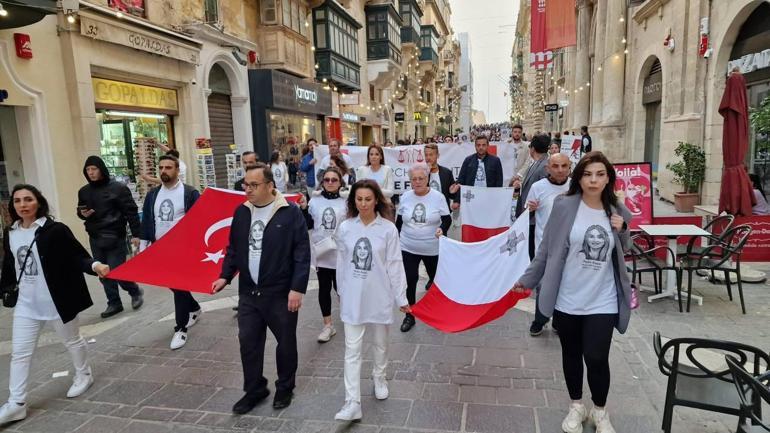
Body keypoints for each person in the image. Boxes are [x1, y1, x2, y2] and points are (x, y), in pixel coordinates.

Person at [512, 151, 633, 433]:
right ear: (578, 177)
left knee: (596, 357)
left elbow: (627, 249)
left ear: (608, 179)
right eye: (588, 174)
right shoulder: (564, 206)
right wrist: (528, 279)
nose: (593, 180)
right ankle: (576, 406)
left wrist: (624, 228)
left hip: (603, 299)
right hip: (567, 297)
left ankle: (600, 411)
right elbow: (547, 248)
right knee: (572, 354)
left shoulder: (617, 211)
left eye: (600, 174)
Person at [0, 185, 111, 424]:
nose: (23, 205)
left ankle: (84, 374)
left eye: (28, 199)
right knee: (20, 354)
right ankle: (16, 403)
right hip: (26, 306)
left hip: (57, 301)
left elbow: (77, 255)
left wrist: (96, 266)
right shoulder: (11, 232)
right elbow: (9, 266)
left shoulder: (54, 230)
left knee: (72, 340)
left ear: (38, 202)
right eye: (18, 201)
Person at [212, 163, 310, 414]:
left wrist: (297, 288)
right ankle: (255, 389)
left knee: (285, 343)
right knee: (248, 342)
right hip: (249, 292)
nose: (248, 190)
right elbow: (233, 248)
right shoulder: (242, 212)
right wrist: (225, 276)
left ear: (269, 185)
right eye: (246, 185)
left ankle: (285, 388)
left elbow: (301, 253)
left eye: (254, 185)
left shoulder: (289, 213)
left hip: (279, 292)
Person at [333, 180, 409, 422]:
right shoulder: (345, 228)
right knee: (352, 350)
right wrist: (342, 293)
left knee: (380, 344)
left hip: (379, 295)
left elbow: (395, 264)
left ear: (377, 200)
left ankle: (379, 376)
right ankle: (352, 401)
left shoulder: (388, 229)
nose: (363, 204)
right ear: (353, 201)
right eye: (359, 199)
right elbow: (342, 263)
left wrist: (401, 297)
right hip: (353, 298)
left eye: (368, 199)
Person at [141, 155, 202, 350]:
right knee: (173, 285)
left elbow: (198, 222)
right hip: (159, 248)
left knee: (178, 285)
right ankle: (194, 307)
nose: (164, 171)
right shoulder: (153, 195)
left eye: (168, 167)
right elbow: (148, 220)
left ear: (177, 170)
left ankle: (180, 329)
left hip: (181, 250)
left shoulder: (190, 193)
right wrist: (144, 246)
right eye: (161, 168)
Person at [76, 155, 144, 318]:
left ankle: (134, 291)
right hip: (95, 236)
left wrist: (136, 234)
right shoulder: (84, 191)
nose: (91, 173)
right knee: (103, 272)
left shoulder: (118, 188)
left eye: (94, 169)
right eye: (88, 170)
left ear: (101, 169)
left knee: (116, 270)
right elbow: (80, 211)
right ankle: (114, 302)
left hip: (115, 235)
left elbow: (131, 211)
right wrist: (82, 213)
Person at [396, 164, 451, 332]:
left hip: (431, 248)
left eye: (421, 178)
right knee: (410, 280)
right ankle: (409, 315)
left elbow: (447, 219)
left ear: (427, 179)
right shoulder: (405, 196)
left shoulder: (438, 197)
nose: (418, 182)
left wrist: (443, 229)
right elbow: (398, 222)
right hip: (407, 246)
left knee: (436, 280)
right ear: (410, 181)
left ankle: (438, 312)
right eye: (414, 179)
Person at [298, 167, 348, 343]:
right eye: (327, 180)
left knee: (342, 289)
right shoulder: (315, 201)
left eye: (334, 180)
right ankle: (328, 325)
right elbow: (309, 224)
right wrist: (304, 208)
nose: (330, 183)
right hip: (322, 252)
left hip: (341, 253)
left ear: (340, 182)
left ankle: (350, 320)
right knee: (324, 289)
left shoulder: (347, 201)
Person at [524, 153, 571, 336]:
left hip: (569, 246)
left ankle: (559, 321)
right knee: (543, 285)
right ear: (548, 168)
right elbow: (525, 215)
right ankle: (540, 320)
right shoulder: (537, 187)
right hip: (545, 246)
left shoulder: (576, 186)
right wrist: (530, 210)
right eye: (556, 166)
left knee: (564, 284)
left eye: (564, 166)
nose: (560, 170)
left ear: (570, 167)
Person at [452, 136, 504, 200]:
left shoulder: (495, 160)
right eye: (478, 145)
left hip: (489, 197)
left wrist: (497, 198)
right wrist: (457, 201)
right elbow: (461, 180)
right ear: (475, 146)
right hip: (471, 197)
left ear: (488, 146)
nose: (481, 147)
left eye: (483, 145)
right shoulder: (468, 160)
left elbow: (499, 182)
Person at [514, 134, 550, 219]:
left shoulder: (544, 166)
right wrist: (520, 185)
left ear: (532, 149)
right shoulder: (537, 162)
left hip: (534, 217)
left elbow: (545, 193)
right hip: (528, 214)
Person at [423, 143, 457, 209]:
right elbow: (418, 192)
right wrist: (426, 172)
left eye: (431, 155)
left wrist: (452, 192)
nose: (428, 158)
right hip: (427, 210)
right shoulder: (421, 173)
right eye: (426, 155)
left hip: (444, 210)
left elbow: (452, 195)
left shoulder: (447, 173)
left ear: (437, 155)